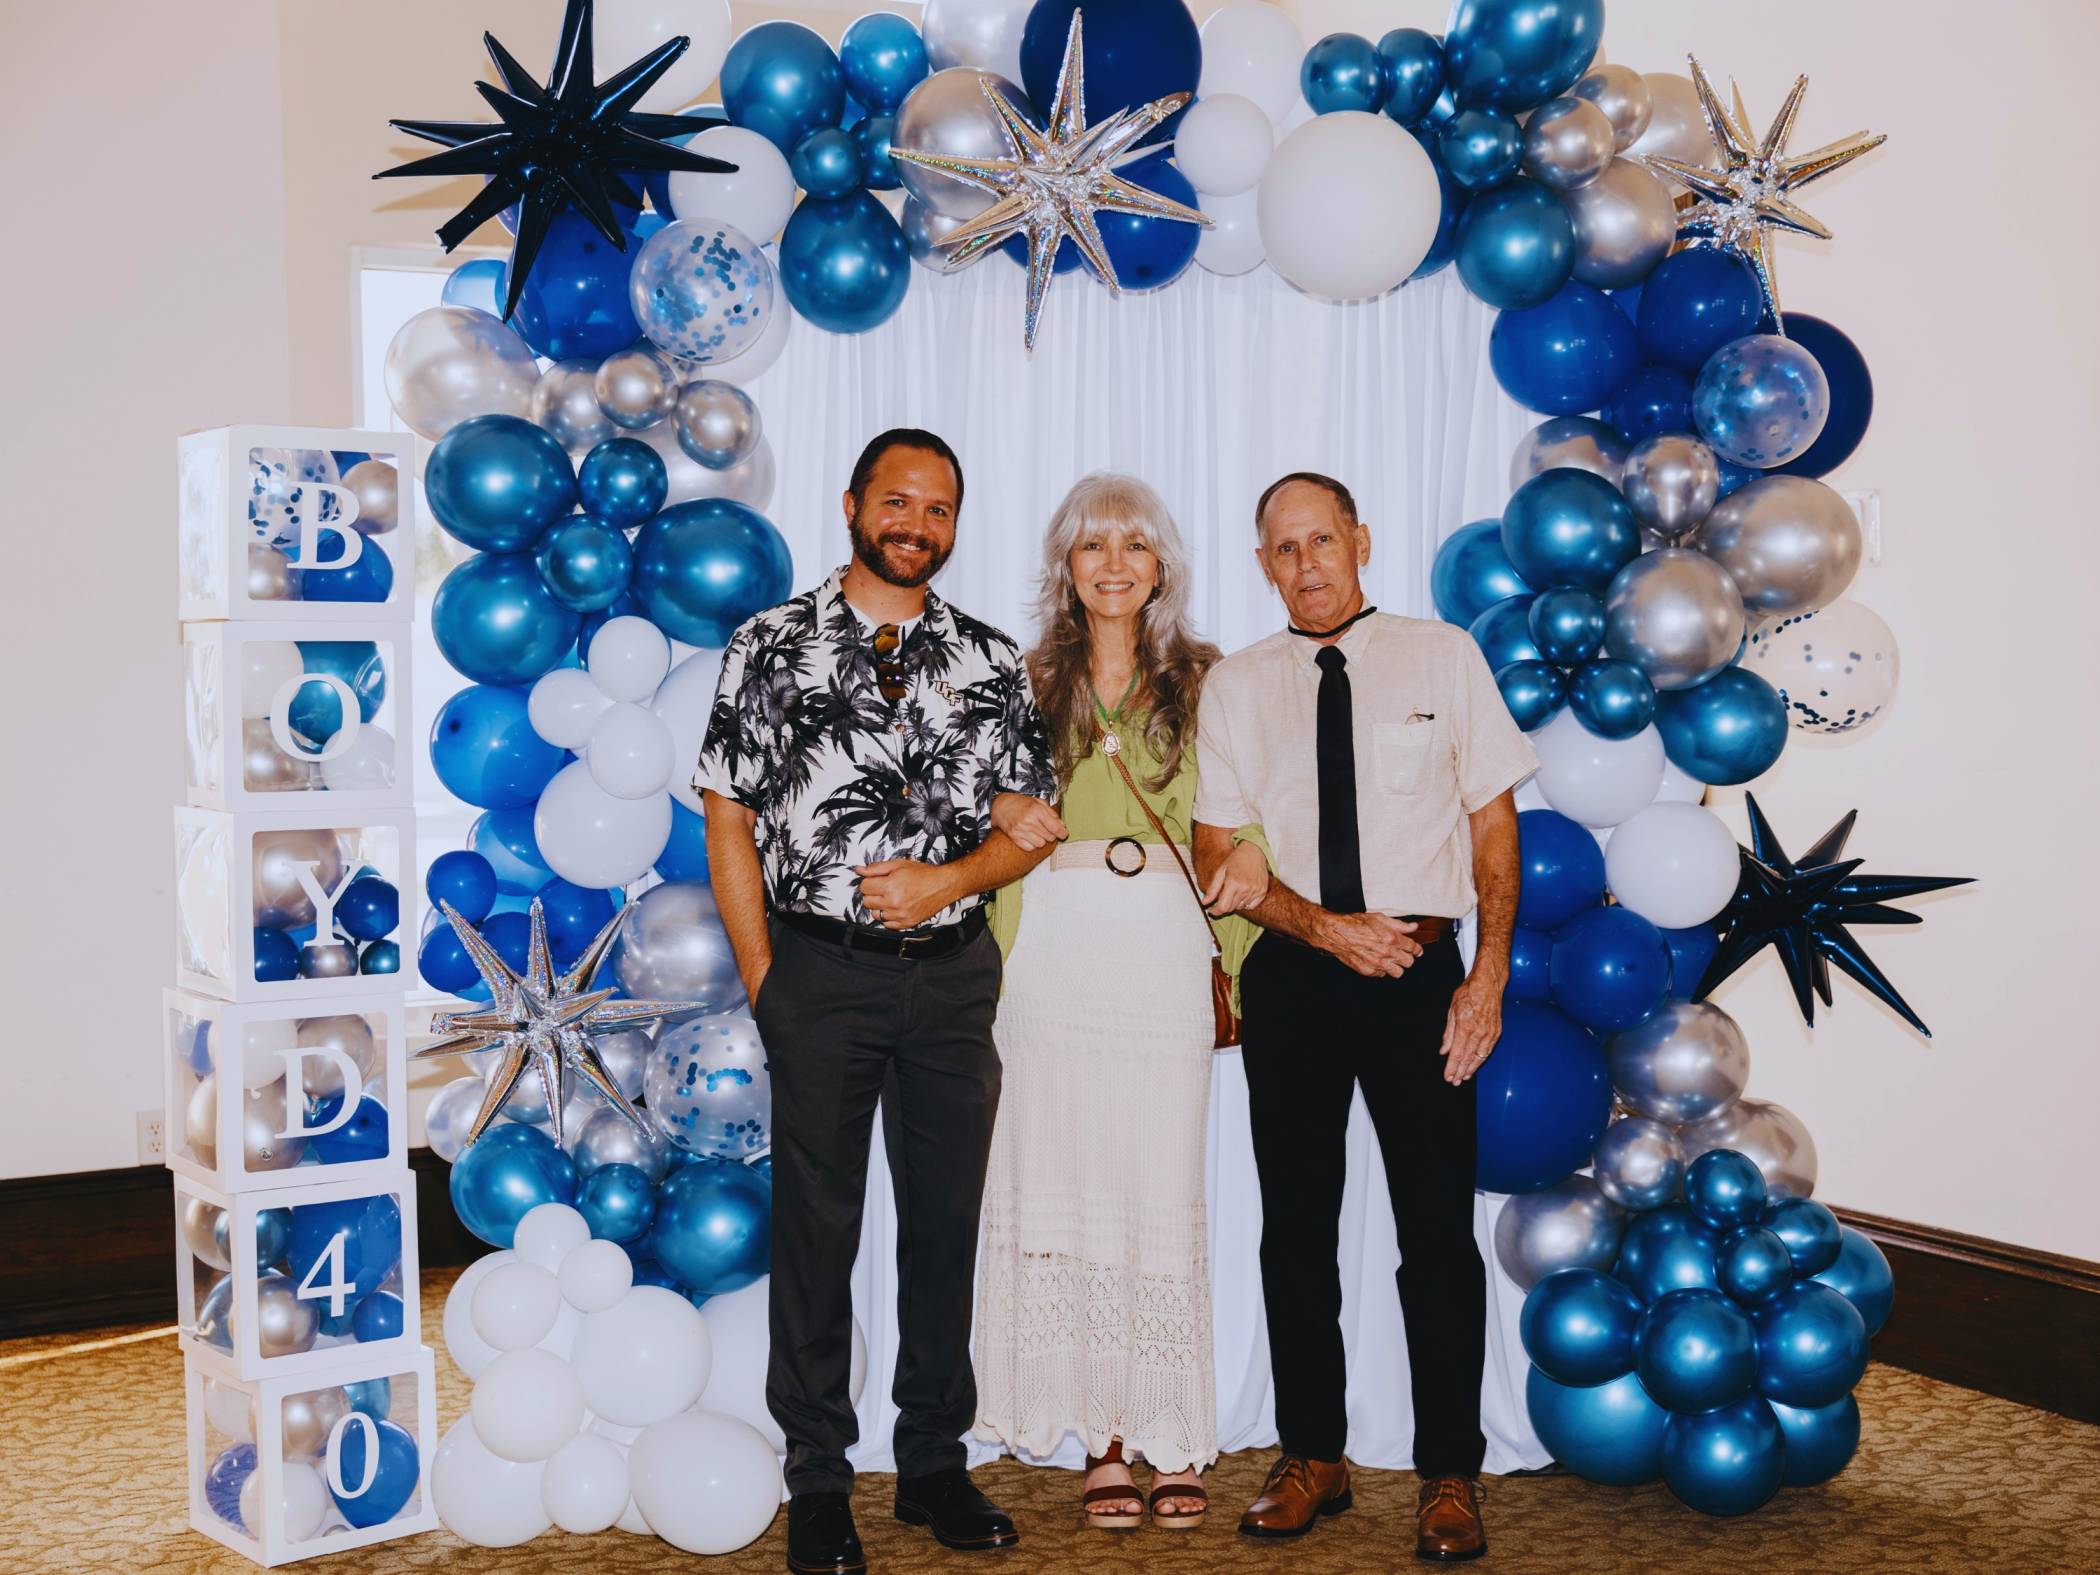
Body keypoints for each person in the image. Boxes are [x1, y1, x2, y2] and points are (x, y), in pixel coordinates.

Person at [698, 429, 1059, 1575]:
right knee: (818, 1234)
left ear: (955, 525)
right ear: (853, 504)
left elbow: (1031, 826)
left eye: (939, 508)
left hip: (953, 983)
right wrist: (766, 981)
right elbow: (727, 817)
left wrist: (948, 883)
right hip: (819, 976)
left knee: (944, 1229)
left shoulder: (990, 659)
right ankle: (818, 1479)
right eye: (897, 501)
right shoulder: (769, 646)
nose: (917, 524)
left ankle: (933, 1465)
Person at [1191, 473, 1536, 1563]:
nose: (1307, 564)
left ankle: (1449, 1473)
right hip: (1295, 979)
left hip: (1423, 979)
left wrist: (1488, 976)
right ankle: (1313, 1456)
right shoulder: (1238, 686)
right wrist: (1328, 931)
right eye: (1285, 548)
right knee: (1295, 1230)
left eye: (1323, 540)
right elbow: (1216, 856)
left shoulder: (1445, 657)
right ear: (1264, 565)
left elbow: (1493, 826)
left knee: (1435, 1235)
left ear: (1362, 541)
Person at [970, 474, 1271, 1532]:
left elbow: (1244, 809)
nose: (1112, 563)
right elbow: (971, 808)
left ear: (1161, 567)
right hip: (1052, 945)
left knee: (1157, 1180)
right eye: (1092, 544)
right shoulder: (1018, 681)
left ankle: (1170, 1432)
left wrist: (1242, 886)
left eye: (1133, 545)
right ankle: (1100, 1440)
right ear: (1066, 564)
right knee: (1065, 1174)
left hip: (1162, 947)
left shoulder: (1209, 678)